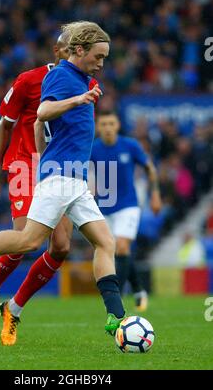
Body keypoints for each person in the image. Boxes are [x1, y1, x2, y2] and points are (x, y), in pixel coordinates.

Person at [0, 21, 126, 346]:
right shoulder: (57, 78)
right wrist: (0, 173)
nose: (102, 63)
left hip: (72, 177)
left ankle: (115, 317)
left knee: (101, 243)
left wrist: (54, 158)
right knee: (26, 242)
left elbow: (42, 127)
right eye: (99, 55)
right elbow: (42, 113)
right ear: (72, 50)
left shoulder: (85, 80)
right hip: (45, 172)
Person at [0, 25, 99, 344]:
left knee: (62, 247)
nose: (76, 54)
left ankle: (13, 308)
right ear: (60, 51)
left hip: (61, 167)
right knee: (25, 237)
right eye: (71, 49)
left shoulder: (90, 83)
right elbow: (5, 126)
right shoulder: (29, 80)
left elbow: (81, 133)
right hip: (25, 164)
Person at [90, 112, 162, 310]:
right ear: (98, 126)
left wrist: (155, 194)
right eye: (103, 124)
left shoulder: (130, 145)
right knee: (117, 250)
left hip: (128, 205)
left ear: (118, 124)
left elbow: (150, 168)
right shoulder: (93, 148)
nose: (107, 127)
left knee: (121, 246)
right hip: (103, 208)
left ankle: (117, 297)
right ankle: (139, 288)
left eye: (111, 123)